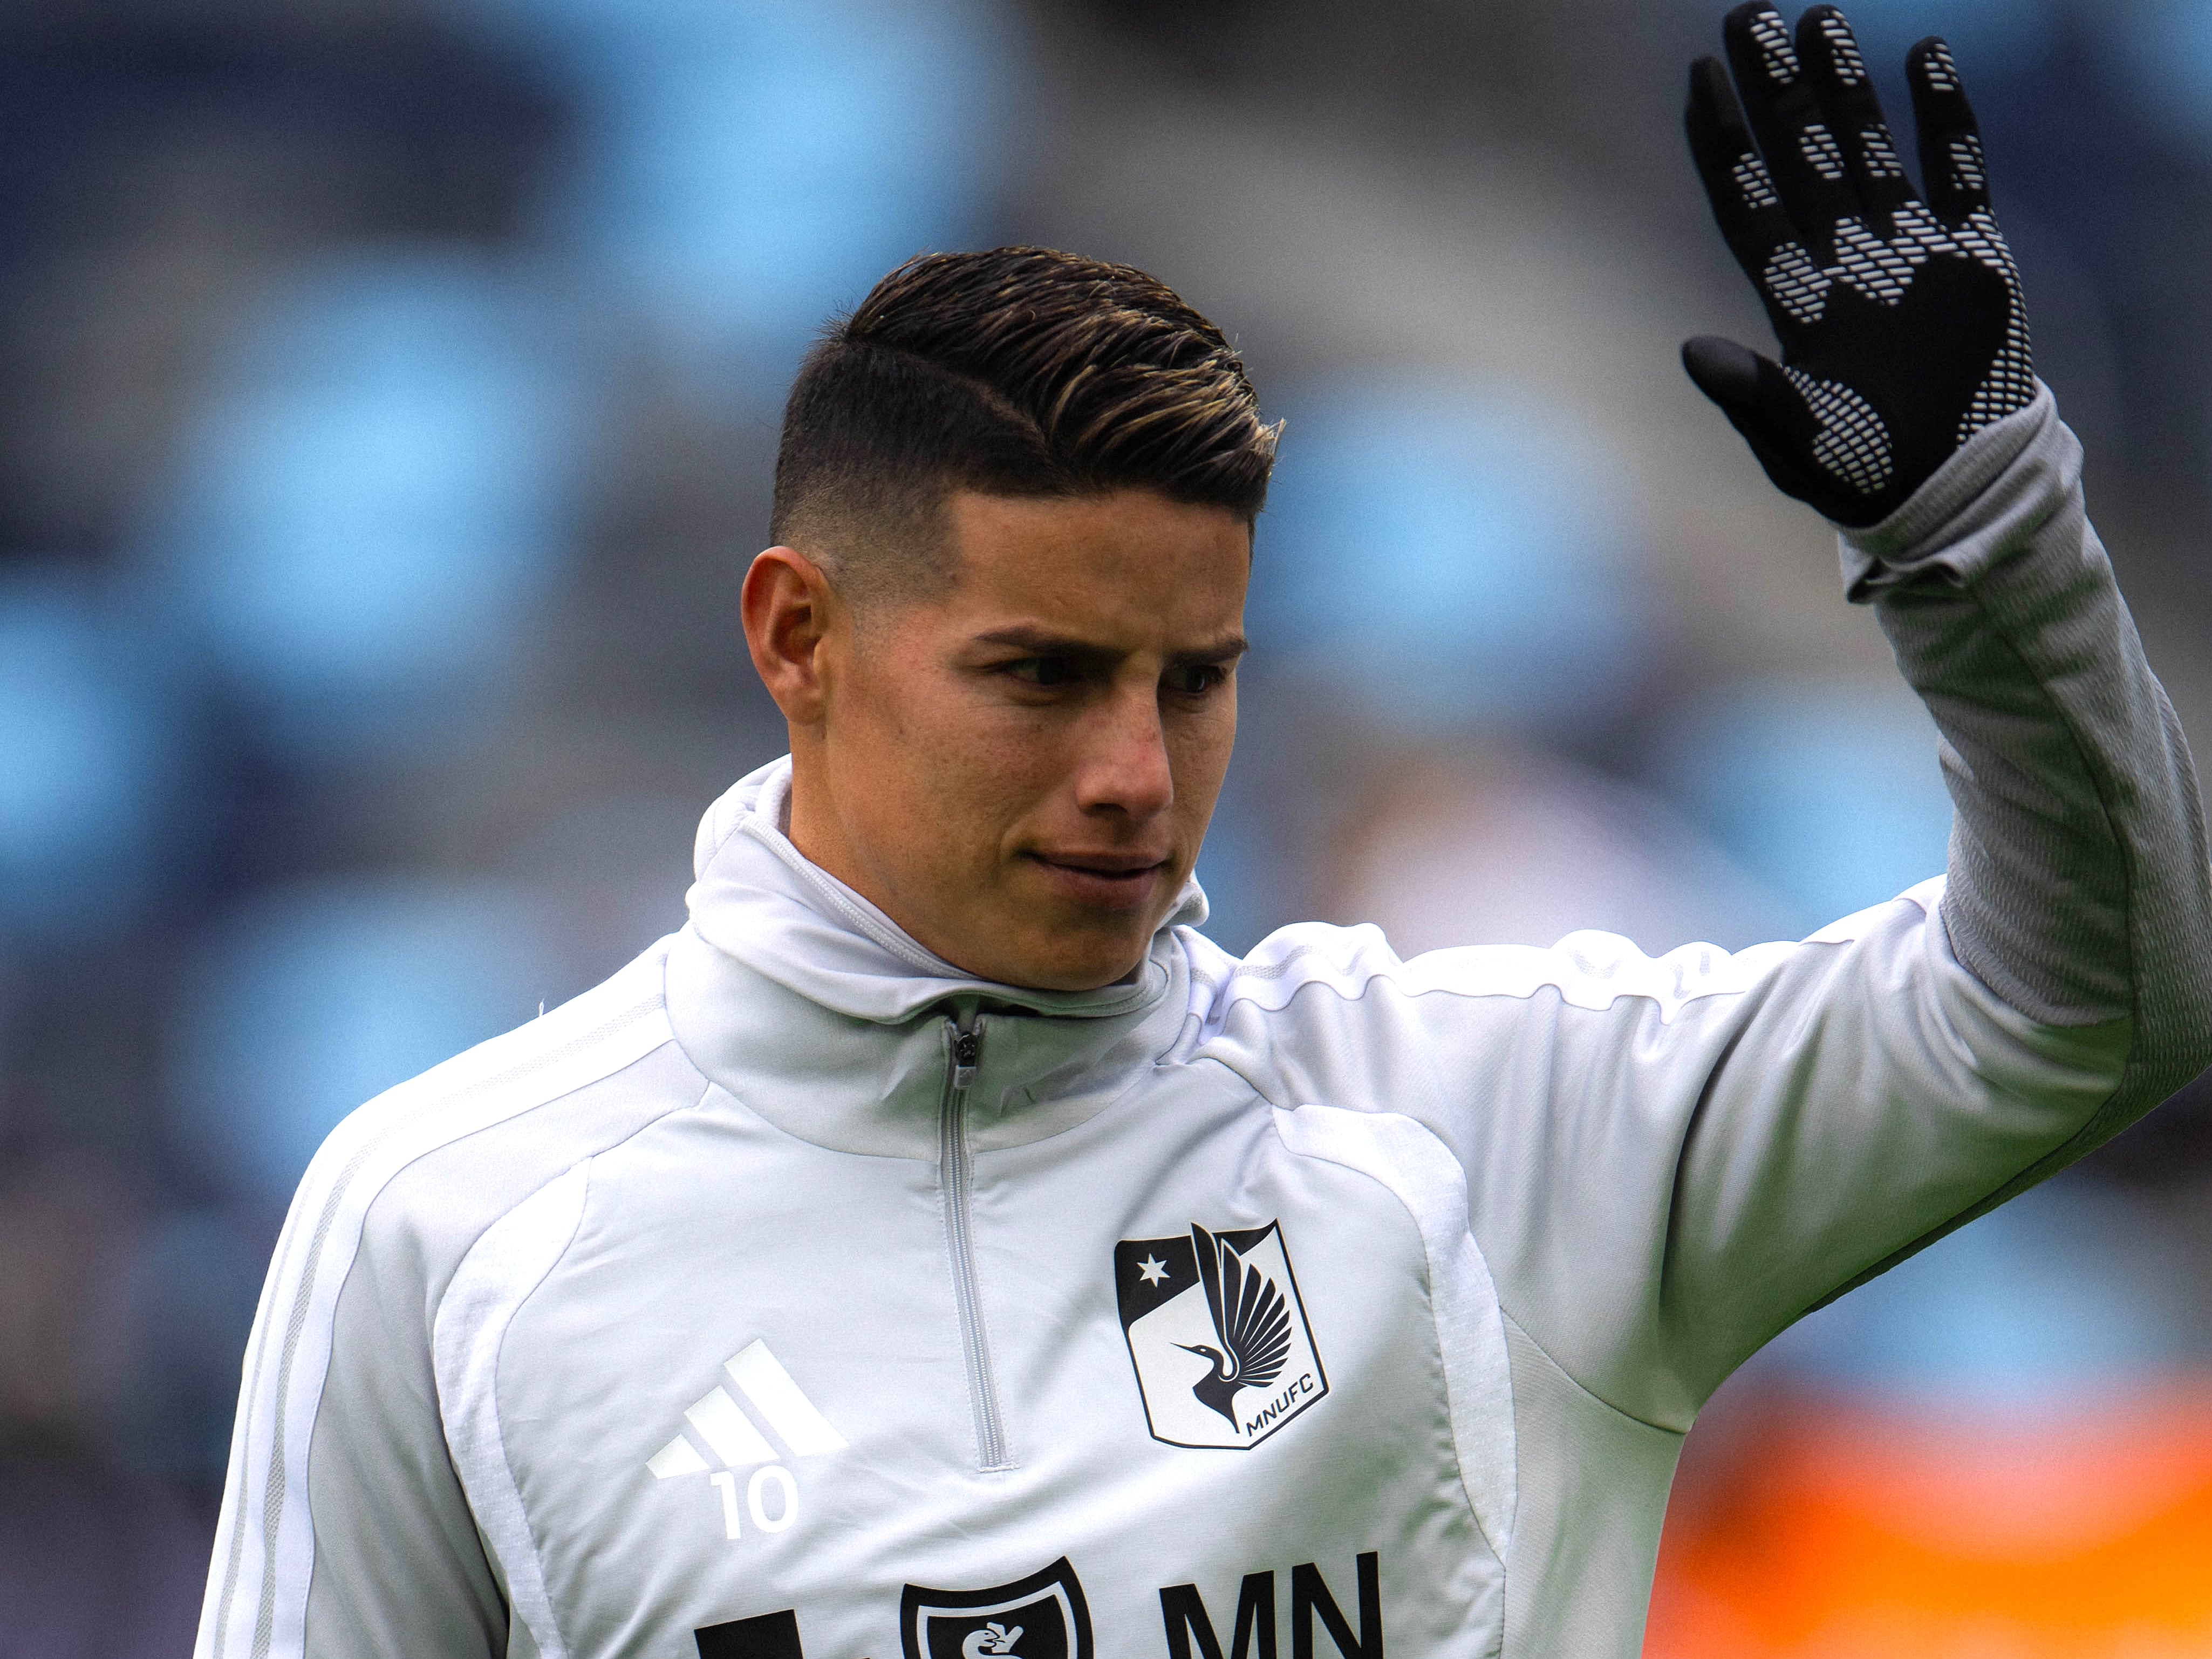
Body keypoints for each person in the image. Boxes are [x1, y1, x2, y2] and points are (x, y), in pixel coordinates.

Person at [194, 6, 2212, 1658]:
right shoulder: (446, 1228)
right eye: (1041, 676)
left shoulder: (1479, 1123)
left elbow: (2095, 1004)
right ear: (795, 636)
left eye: (1195, 678)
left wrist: (1975, 541)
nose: (1135, 775)